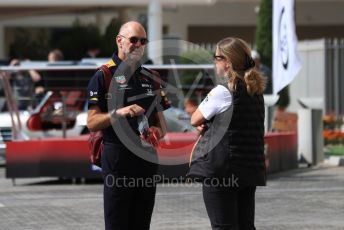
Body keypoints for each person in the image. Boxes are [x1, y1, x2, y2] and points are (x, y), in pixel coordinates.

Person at [86, 21, 169, 230]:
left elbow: (162, 125)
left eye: (143, 41)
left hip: (146, 161)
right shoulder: (103, 75)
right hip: (118, 163)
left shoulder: (152, 77)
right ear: (120, 41)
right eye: (133, 40)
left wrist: (156, 131)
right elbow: (92, 122)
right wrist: (119, 112)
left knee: (141, 225)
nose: (138, 44)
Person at [188, 37, 267, 230]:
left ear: (228, 62)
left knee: (223, 226)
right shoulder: (255, 91)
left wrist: (209, 125)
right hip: (248, 169)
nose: (214, 61)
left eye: (216, 57)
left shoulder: (222, 91)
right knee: (245, 226)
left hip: (223, 171)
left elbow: (195, 118)